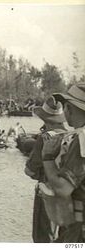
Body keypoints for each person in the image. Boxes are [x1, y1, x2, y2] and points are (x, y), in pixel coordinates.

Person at [40, 84, 85, 242]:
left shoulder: (81, 140)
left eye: (66, 106)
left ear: (70, 108)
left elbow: (63, 188)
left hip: (79, 231)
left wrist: (47, 158)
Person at [24, 96, 67, 243]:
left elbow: (29, 170)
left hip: (47, 193)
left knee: (43, 237)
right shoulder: (72, 136)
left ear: (45, 119)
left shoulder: (45, 138)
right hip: (69, 195)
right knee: (66, 238)